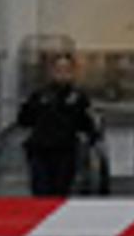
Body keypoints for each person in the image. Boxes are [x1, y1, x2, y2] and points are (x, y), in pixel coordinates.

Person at [15, 50, 90, 200]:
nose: (62, 74)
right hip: (41, 150)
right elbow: (24, 119)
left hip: (65, 152)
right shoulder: (40, 95)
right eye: (58, 70)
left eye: (66, 70)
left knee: (60, 192)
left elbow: (86, 124)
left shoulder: (78, 97)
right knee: (41, 191)